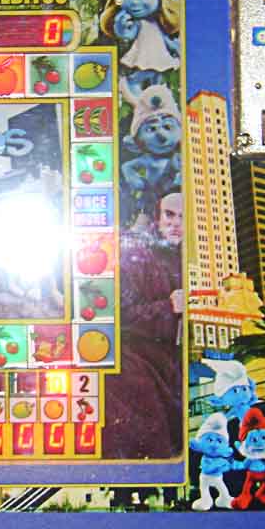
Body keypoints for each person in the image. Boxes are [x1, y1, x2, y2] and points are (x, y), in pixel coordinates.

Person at [102, 191, 184, 458]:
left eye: (183, 217)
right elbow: (120, 315)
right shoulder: (135, 254)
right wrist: (169, 307)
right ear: (156, 218)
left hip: (172, 367)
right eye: (169, 215)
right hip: (138, 368)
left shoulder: (185, 259)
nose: (176, 223)